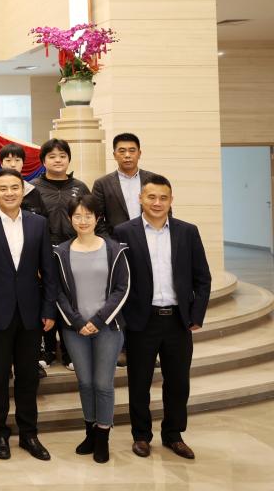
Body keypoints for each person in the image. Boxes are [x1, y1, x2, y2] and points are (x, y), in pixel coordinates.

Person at [114, 175, 211, 460]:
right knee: (139, 382)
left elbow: (202, 278)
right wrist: (124, 318)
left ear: (171, 200)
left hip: (178, 321)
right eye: (151, 197)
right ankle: (141, 436)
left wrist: (196, 314)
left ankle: (173, 435)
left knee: (178, 383)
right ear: (140, 199)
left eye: (163, 198)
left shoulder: (187, 232)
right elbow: (117, 279)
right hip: (141, 321)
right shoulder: (123, 232)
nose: (157, 203)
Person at [0, 168, 57, 462]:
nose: (9, 193)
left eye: (14, 188)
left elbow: (48, 270)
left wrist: (49, 308)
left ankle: (29, 433)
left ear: (22, 191)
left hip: (31, 313)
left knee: (28, 377)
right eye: (3, 189)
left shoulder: (38, 223)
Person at [53, 194, 130, 464]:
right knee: (85, 382)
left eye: (88, 215)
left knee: (102, 384)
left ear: (98, 218)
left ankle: (103, 437)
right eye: (77, 216)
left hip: (108, 328)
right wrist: (76, 322)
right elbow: (57, 292)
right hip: (75, 330)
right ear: (70, 219)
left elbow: (122, 288)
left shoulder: (114, 249)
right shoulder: (61, 252)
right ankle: (90, 432)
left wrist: (98, 321)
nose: (83, 220)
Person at [31, 138, 89, 372]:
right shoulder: (32, 188)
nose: (58, 160)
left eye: (62, 156)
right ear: (43, 160)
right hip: (43, 252)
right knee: (45, 300)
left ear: (69, 159)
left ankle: (69, 352)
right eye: (52, 156)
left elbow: (90, 219)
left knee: (71, 301)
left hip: (74, 252)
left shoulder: (80, 187)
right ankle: (46, 350)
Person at [92, 133, 159, 236]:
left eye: (132, 150)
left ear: (139, 154)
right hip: (117, 240)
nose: (127, 155)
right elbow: (96, 219)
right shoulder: (102, 184)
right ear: (114, 155)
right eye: (122, 151)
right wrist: (110, 242)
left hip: (151, 237)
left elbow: (165, 211)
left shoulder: (154, 180)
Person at [0, 143, 46, 217]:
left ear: (23, 163)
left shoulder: (32, 191)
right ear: (1, 164)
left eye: (17, 160)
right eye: (8, 160)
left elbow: (42, 219)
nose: (13, 164)